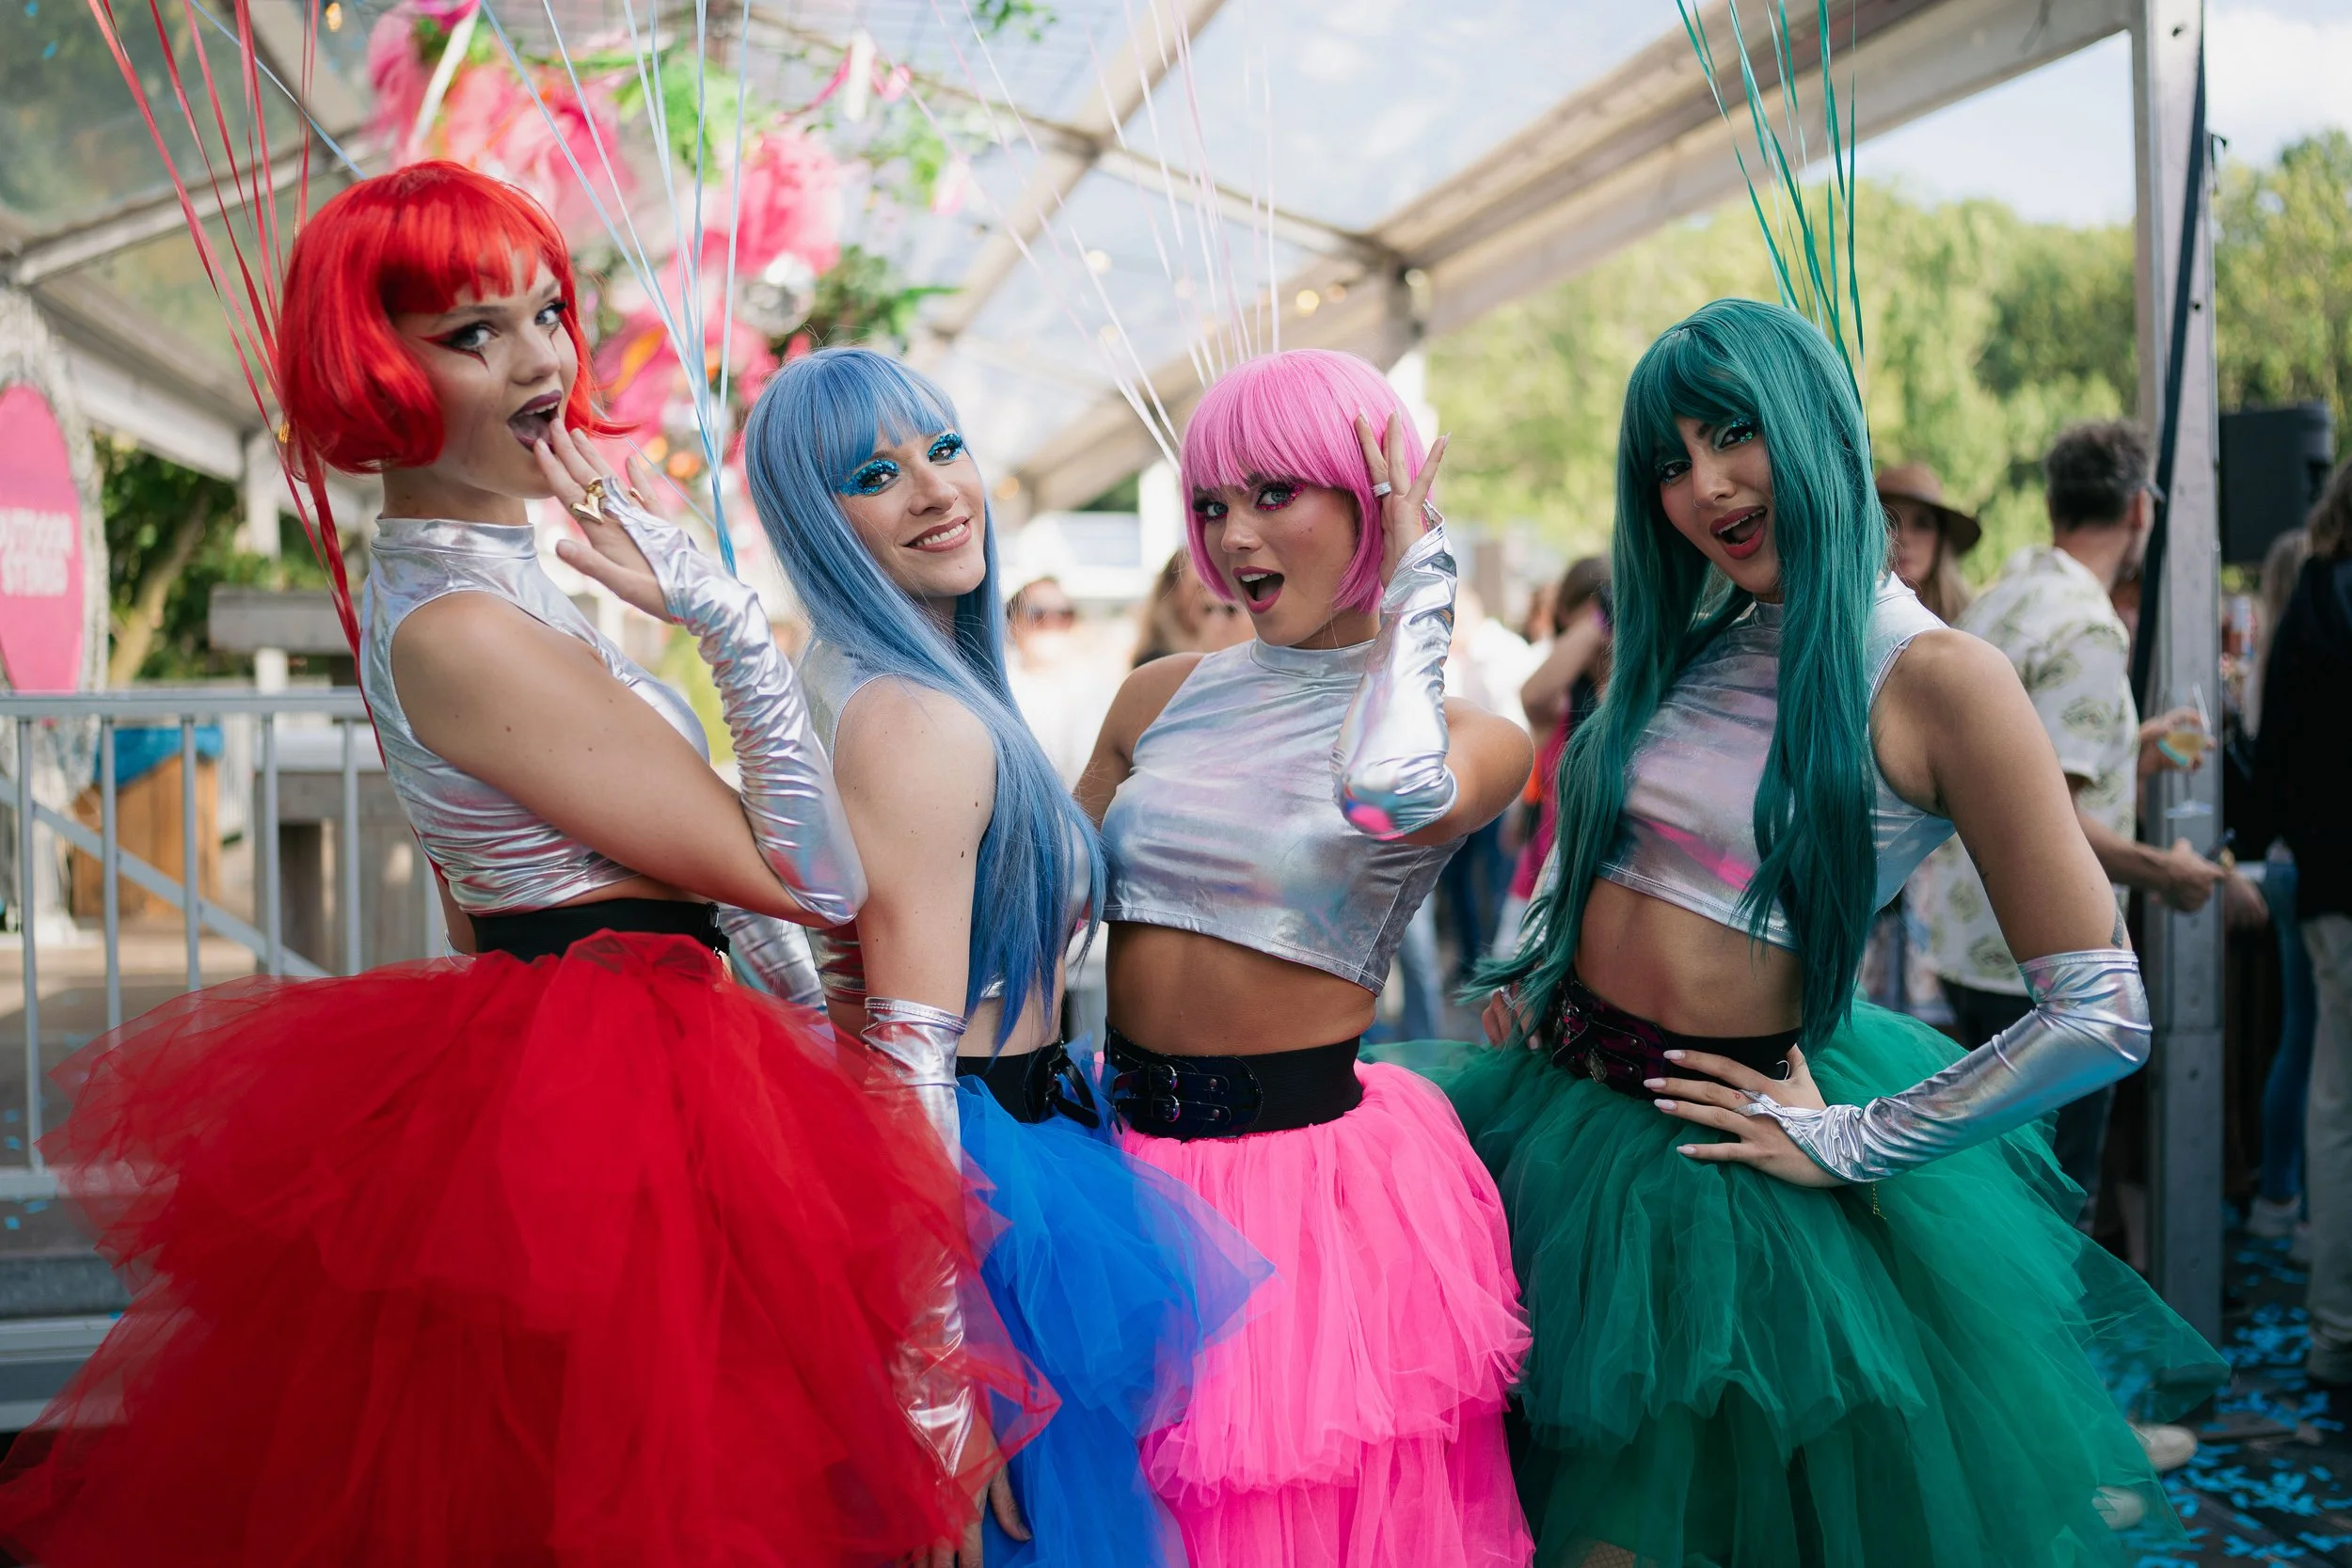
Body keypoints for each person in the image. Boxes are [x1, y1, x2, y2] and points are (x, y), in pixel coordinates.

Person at [0, 164, 1036, 1566]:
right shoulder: (457, 626)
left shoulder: (500, 576)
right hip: (613, 1126)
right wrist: (722, 612)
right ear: (375, 368)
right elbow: (803, 871)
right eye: (473, 331)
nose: (544, 354)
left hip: (657, 1077)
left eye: (544, 308)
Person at [1443, 299, 2223, 1565]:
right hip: (1553, 1137)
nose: (1704, 484)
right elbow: (1617, 836)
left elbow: (2102, 1007)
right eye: (1670, 457)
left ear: (1812, 426)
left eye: (1734, 434)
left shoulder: (1938, 676)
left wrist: (1860, 1137)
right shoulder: (1694, 640)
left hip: (1718, 1192)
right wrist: (1537, 960)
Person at [745, 346, 1266, 1568]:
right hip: (975, 1207)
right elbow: (907, 1062)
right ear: (817, 526)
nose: (937, 490)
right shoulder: (913, 719)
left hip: (1016, 1159)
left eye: (944, 447)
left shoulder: (908, 690)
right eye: (878, 473)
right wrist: (943, 1387)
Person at [1078, 347, 1534, 1568]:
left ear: (1371, 496)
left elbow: (1392, 794)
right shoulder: (1154, 696)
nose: (1233, 536)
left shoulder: (1479, 735)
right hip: (1117, 1174)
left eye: (1277, 491)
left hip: (1304, 1203)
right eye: (1215, 502)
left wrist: (1422, 566)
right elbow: (1043, 904)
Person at [1923, 421, 2232, 1218]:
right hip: (2046, 973)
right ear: (2139, 508)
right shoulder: (2089, 626)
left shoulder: (2010, 591)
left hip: (1969, 945)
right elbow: (2043, 815)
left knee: (1989, 1205)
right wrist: (2167, 872)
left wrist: (2132, 742)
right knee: (2048, 1221)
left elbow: (2010, 771)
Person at [2246, 459, 2352, 1386]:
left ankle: (2331, 1325)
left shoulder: (2311, 599)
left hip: (2320, 880)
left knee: (2331, 1098)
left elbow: (2273, 753)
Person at [2248, 525, 2316, 1256]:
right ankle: (2294, 1205)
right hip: (2313, 866)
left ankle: (2278, 1193)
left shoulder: (2272, 658)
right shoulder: (2316, 650)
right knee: (2315, 1046)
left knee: (2299, 1036)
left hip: (2286, 863)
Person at [1496, 557, 1612, 956]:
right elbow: (1531, 696)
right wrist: (1599, 619)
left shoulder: (1634, 696)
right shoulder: (1560, 701)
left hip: (1606, 901)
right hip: (1541, 890)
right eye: (1598, 610)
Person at [1003, 575, 1117, 789]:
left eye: (1064, 615)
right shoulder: (997, 687)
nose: (1052, 623)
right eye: (1038, 614)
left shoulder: (1099, 687)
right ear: (1013, 621)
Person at [1878, 460, 1980, 625]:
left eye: (1922, 523)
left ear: (1940, 541)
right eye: (1889, 521)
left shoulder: (1971, 622)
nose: (1905, 537)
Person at [1133, 547, 1251, 666]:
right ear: (1174, 593)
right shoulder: (1156, 661)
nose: (1213, 599)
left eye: (1215, 587)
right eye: (1201, 588)